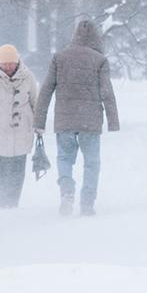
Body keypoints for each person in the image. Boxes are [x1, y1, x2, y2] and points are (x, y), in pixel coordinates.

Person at [34, 20, 120, 217]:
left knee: (65, 158)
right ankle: (87, 203)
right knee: (92, 163)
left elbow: (46, 89)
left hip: (64, 120)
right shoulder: (99, 60)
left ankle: (66, 190)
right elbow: (107, 92)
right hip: (90, 122)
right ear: (96, 38)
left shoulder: (60, 57)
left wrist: (39, 121)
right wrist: (113, 121)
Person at [0, 44, 38, 208]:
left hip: (21, 130)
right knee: (0, 169)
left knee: (17, 170)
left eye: (11, 63)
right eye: (4, 64)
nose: (8, 67)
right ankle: (3, 200)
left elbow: (35, 102)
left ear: (17, 62)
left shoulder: (28, 76)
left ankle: (13, 202)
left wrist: (37, 125)